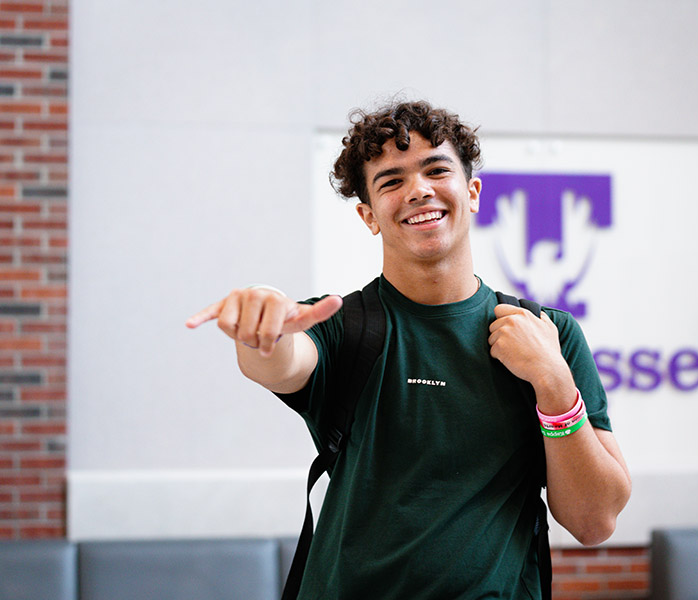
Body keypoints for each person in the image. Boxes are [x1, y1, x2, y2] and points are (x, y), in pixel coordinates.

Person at [186, 99, 631, 599]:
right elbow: (282, 360)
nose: (418, 190)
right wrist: (261, 328)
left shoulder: (547, 334)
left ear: (473, 192)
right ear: (369, 215)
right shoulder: (342, 326)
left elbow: (595, 521)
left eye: (436, 170)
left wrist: (553, 382)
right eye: (391, 181)